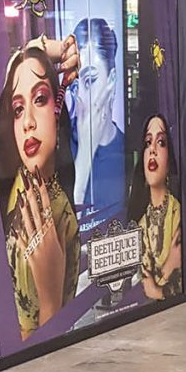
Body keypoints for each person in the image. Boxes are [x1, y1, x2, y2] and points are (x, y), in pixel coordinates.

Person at [0, 38, 80, 338]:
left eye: (40, 99)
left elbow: (51, 340)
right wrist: (49, 47)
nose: (27, 121)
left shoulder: (60, 214)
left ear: (57, 108)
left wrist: (50, 297)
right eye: (17, 109)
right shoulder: (14, 185)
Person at [69, 15, 125, 232]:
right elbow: (66, 229)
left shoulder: (126, 149)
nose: (81, 96)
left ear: (112, 80)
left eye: (90, 80)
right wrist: (85, 154)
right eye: (75, 86)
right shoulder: (61, 145)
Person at [127, 112, 182, 300]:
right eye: (148, 142)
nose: (152, 150)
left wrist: (157, 289)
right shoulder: (141, 218)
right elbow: (146, 284)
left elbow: (177, 283)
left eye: (161, 142)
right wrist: (167, 268)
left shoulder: (177, 212)